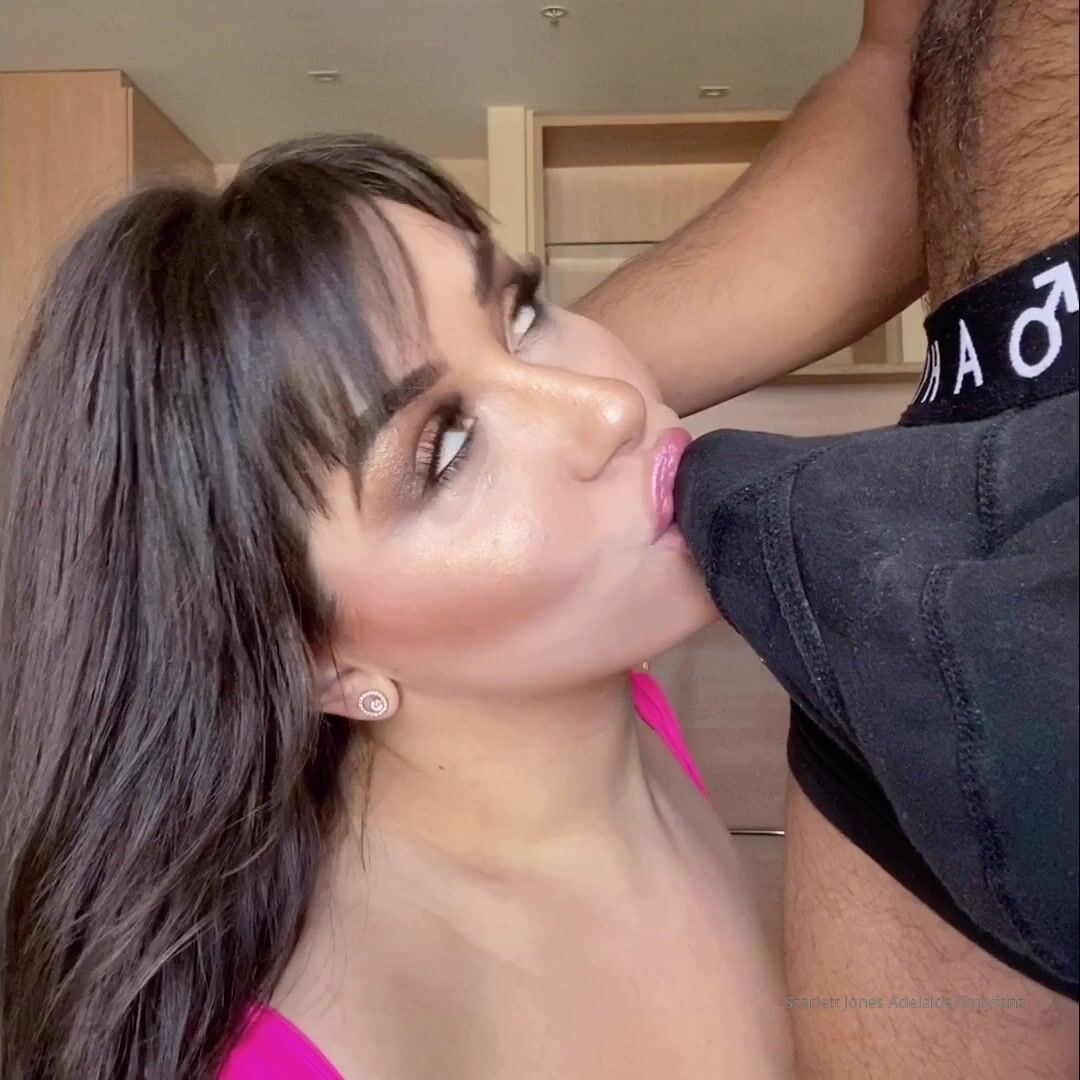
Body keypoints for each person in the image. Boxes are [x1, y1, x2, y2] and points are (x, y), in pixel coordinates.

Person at [0, 134, 795, 1079]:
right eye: (445, 450)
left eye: (522, 313)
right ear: (313, 658)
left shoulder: (617, 709)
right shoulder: (293, 1055)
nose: (607, 405)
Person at [578, 0, 1079, 1075]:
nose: (609, 410)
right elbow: (905, 86)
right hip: (951, 461)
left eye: (518, 315)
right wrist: (524, 399)